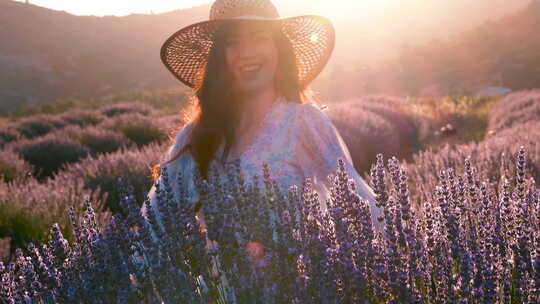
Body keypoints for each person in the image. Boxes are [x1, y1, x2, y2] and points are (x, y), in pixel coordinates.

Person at [137, 0, 383, 299]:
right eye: (233, 42)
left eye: (259, 37)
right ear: (220, 58)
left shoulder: (303, 123)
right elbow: (155, 223)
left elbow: (359, 208)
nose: (247, 52)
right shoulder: (196, 137)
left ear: (279, 48)